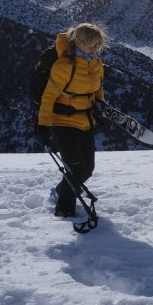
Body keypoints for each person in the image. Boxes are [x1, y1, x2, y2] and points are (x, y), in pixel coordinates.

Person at [35, 22, 109, 218]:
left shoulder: (96, 64)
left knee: (88, 168)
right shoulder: (64, 65)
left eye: (98, 45)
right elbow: (49, 96)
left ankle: (60, 192)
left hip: (85, 120)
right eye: (92, 45)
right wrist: (42, 126)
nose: (95, 50)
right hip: (62, 121)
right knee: (76, 167)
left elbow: (98, 89)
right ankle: (63, 210)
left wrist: (101, 106)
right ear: (79, 43)